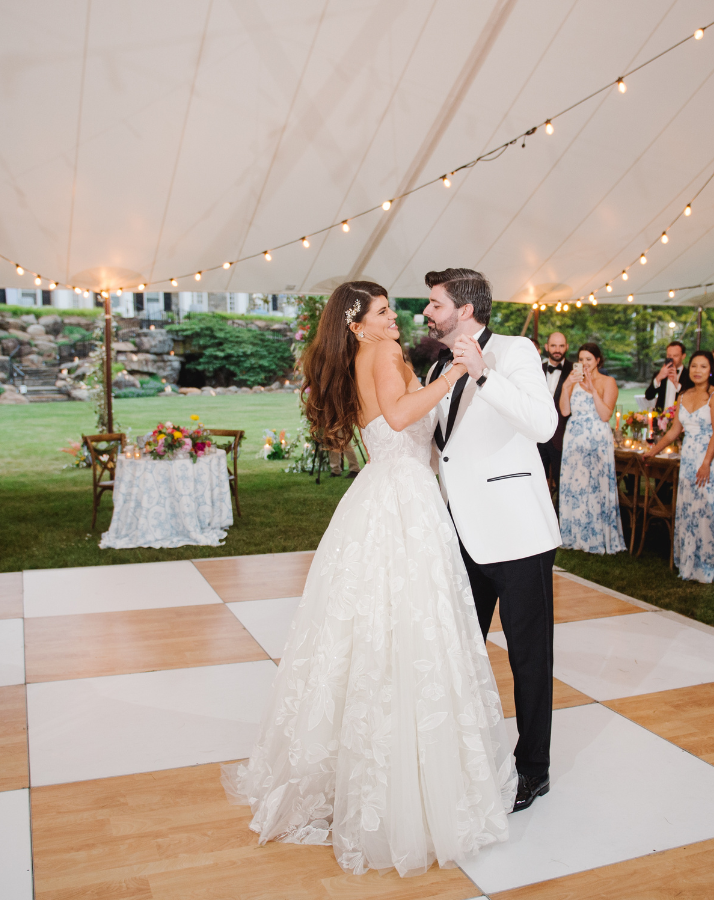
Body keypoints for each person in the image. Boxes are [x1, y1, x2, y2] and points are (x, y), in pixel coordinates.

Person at [222, 280, 519, 877]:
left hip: (385, 493)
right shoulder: (382, 354)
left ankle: (373, 764)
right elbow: (402, 413)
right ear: (358, 324)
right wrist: (454, 375)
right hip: (403, 499)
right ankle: (412, 776)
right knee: (411, 625)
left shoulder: (364, 355)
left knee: (373, 631)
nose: (394, 318)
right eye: (383, 311)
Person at [421, 268, 559, 814]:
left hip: (518, 532)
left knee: (529, 657)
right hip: (458, 532)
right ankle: (468, 756)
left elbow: (543, 424)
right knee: (462, 653)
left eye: (435, 304)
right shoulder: (435, 363)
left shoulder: (514, 350)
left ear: (466, 309)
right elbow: (444, 447)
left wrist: (483, 375)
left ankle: (535, 769)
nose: (427, 313)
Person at [646, 350, 714, 582]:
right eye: (694, 366)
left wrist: (706, 464)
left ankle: (708, 566)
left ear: (710, 370)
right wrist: (652, 451)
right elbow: (674, 431)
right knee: (689, 510)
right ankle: (688, 563)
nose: (697, 371)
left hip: (708, 460)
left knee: (708, 511)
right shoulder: (683, 395)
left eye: (703, 367)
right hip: (688, 458)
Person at [558, 343, 625, 555]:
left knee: (595, 485)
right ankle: (573, 534)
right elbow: (565, 411)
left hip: (597, 437)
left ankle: (596, 536)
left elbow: (605, 415)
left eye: (589, 359)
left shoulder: (608, 382)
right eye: (581, 359)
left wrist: (592, 388)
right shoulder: (573, 381)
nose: (585, 363)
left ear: (598, 360)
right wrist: (567, 384)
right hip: (574, 437)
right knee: (575, 486)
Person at [539, 331, 572, 489]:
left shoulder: (574, 371)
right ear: (547, 347)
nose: (557, 349)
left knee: (563, 484)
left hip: (563, 436)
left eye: (561, 346)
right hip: (537, 437)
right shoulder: (537, 369)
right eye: (553, 345)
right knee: (538, 483)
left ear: (567, 347)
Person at [644, 341, 692, 414]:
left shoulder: (689, 375)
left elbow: (690, 398)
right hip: (660, 420)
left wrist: (676, 383)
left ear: (683, 356)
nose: (672, 359)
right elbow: (648, 396)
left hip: (680, 419)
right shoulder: (660, 373)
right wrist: (658, 378)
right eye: (669, 356)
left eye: (675, 356)